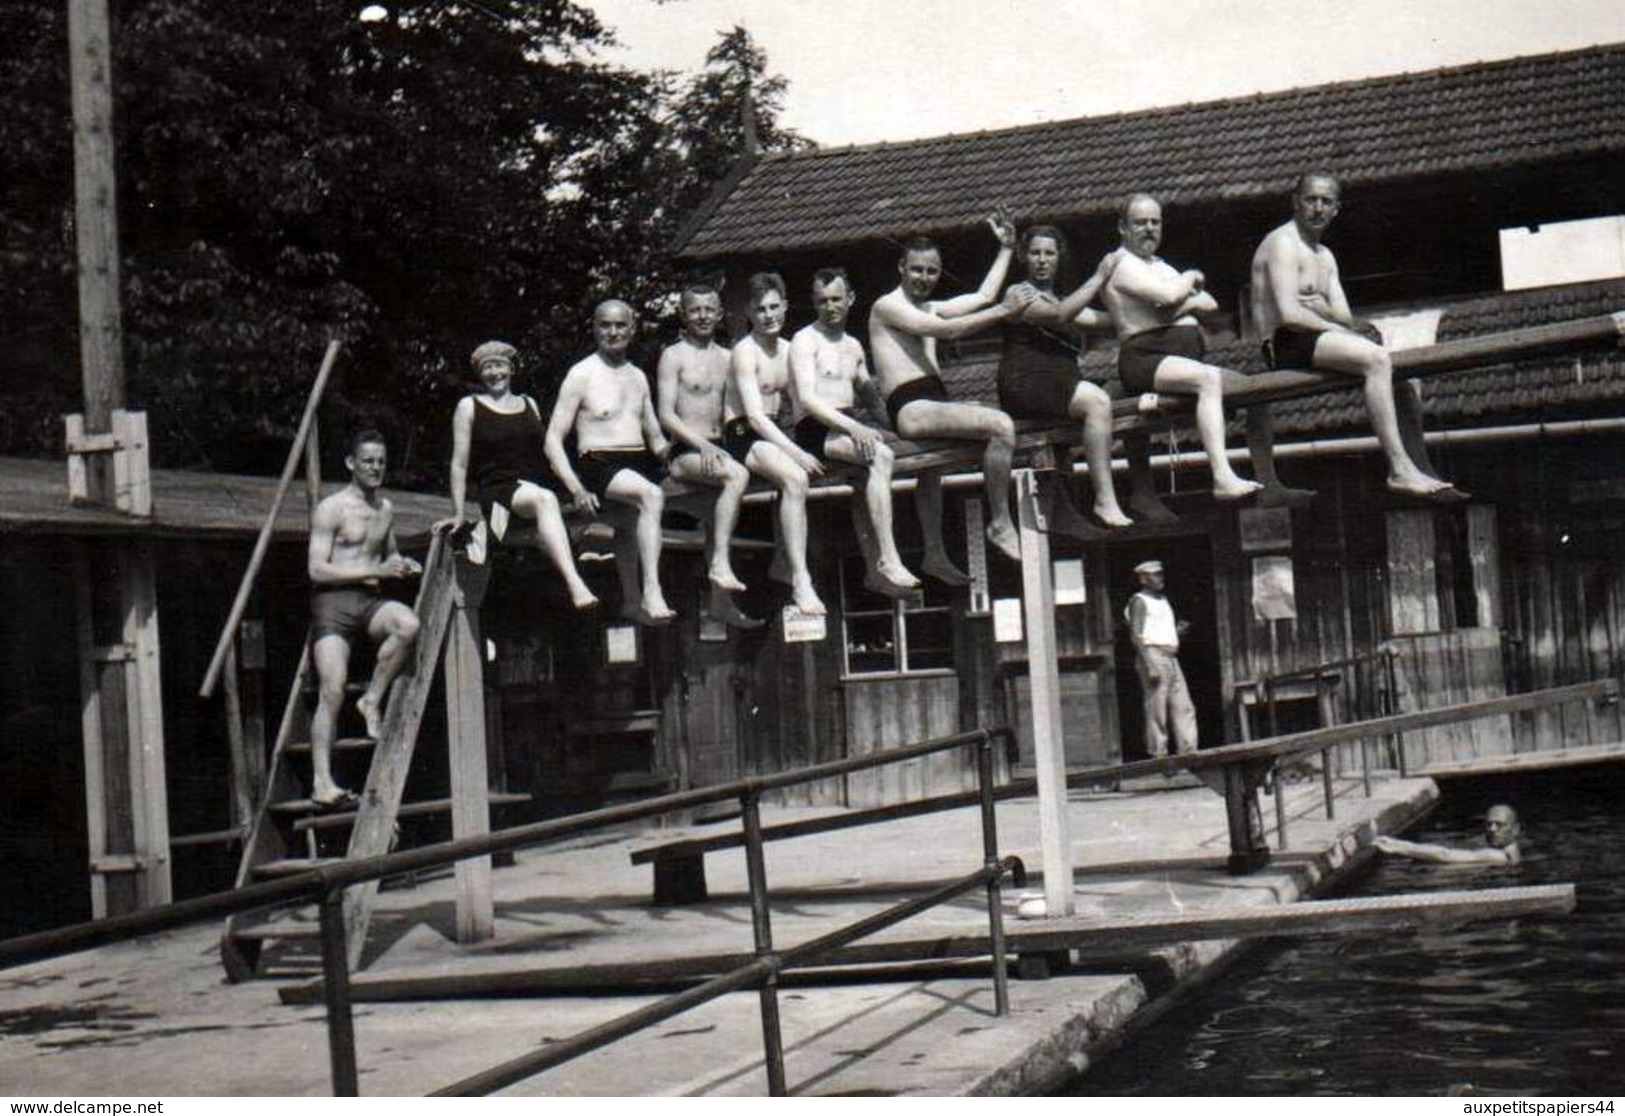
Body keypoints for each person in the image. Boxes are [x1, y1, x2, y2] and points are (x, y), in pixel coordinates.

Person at [1251, 172, 1462, 500]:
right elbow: (1290, 316)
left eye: (1326, 202)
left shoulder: (1325, 257)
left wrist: (1319, 310)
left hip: (1312, 338)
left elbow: (1346, 315)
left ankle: (1422, 468)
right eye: (1311, 200)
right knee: (1377, 358)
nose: (1318, 208)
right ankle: (1398, 469)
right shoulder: (1282, 243)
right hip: (1284, 344)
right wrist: (1325, 314)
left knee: (1402, 381)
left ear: (1336, 209)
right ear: (1296, 202)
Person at [869, 214, 1035, 571]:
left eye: (931, 272)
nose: (924, 279)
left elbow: (983, 295)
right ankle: (1000, 521)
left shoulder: (929, 306)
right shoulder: (886, 307)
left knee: (933, 471)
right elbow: (947, 332)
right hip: (911, 406)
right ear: (901, 266)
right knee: (1002, 426)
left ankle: (934, 552)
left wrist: (1006, 248)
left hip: (933, 400)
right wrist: (1005, 311)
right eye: (917, 270)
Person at [1103, 194, 1265, 502]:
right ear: (1123, 227)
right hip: (1145, 358)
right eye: (1140, 223)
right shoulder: (1120, 264)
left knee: (1258, 389)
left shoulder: (1159, 264)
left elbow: (1209, 303)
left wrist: (1176, 304)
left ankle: (1269, 479)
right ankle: (1222, 477)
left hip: (1179, 358)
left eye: (1155, 222)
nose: (1149, 228)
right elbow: (1167, 295)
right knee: (1208, 381)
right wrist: (1189, 279)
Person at [306, 429, 422, 807]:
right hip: (333, 605)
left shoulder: (385, 509)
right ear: (351, 464)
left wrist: (404, 565)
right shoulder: (332, 508)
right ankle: (323, 781)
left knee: (408, 625)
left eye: (381, 462)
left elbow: (387, 555)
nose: (375, 468)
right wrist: (373, 572)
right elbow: (317, 571)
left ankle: (371, 699)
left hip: (369, 602)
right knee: (333, 688)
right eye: (368, 461)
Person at [788, 267, 920, 598]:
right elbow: (807, 399)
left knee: (869, 475)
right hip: (815, 428)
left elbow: (872, 399)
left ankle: (874, 568)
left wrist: (903, 427)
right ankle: (889, 558)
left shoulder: (853, 346)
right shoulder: (805, 341)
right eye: (822, 301)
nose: (830, 307)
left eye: (836, 299)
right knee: (881, 456)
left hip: (846, 426)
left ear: (850, 299)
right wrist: (855, 427)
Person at [545, 300, 677, 625]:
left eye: (620, 325)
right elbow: (552, 440)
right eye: (605, 325)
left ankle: (631, 600)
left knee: (636, 519)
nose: (613, 332)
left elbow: (656, 440)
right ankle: (652, 590)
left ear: (632, 330)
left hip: (637, 462)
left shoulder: (638, 377)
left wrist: (687, 455)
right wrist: (575, 488)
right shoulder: (582, 373)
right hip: (598, 462)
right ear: (594, 328)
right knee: (651, 497)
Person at [440, 341, 598, 610]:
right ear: (480, 374)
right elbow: (459, 465)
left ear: (511, 369)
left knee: (586, 515)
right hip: (499, 493)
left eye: (499, 365)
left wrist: (577, 490)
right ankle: (576, 584)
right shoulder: (470, 406)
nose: (494, 372)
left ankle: (579, 565)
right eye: (487, 367)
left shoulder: (529, 404)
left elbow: (550, 454)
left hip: (531, 492)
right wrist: (457, 513)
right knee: (545, 500)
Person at [998, 226, 1132, 529]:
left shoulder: (1061, 299)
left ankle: (1140, 492)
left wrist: (1148, 311)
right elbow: (1058, 315)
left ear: (1059, 257)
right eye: (1035, 253)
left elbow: (1105, 320)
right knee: (1096, 402)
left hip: (1057, 382)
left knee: (1127, 391)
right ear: (1024, 257)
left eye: (1049, 253)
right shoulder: (1018, 293)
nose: (1042, 260)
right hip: (1025, 381)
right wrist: (1099, 277)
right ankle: (1104, 499)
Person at [655, 284, 760, 628]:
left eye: (709, 309)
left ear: (719, 314)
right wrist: (703, 446)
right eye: (695, 310)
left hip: (721, 448)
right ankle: (719, 564)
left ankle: (720, 602)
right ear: (684, 315)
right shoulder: (673, 355)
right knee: (736, 477)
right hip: (688, 451)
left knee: (718, 515)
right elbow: (666, 415)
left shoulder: (729, 358)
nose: (702, 316)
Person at [725, 271, 826, 616]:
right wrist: (796, 453)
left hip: (773, 432)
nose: (769, 316)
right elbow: (753, 417)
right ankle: (801, 579)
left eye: (774, 307)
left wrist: (814, 442)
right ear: (750, 314)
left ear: (784, 306)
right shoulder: (744, 352)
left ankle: (785, 561)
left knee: (803, 472)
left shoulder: (788, 351)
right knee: (796, 477)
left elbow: (802, 404)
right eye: (760, 310)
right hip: (742, 434)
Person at [1124, 559, 1198, 759]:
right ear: (1143, 579)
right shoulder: (1139, 601)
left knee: (1183, 705)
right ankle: (1159, 754)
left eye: (1161, 574)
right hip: (1152, 654)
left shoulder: (1163, 600)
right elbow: (1136, 635)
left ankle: (1188, 752)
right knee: (1157, 708)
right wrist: (1148, 664)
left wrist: (1177, 633)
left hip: (1170, 656)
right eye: (1155, 575)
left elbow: (1159, 630)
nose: (1160, 578)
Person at [1375, 804, 1521, 865]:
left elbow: (1445, 855)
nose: (1492, 829)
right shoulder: (1515, 849)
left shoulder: (1498, 856)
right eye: (1489, 824)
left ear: (1515, 829)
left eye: (1499, 824)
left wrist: (1399, 846)